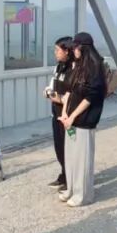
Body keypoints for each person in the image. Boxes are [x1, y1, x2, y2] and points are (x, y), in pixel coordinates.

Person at [58, 32, 106, 207]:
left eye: (76, 48)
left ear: (84, 48)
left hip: (84, 120)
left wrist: (72, 116)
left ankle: (83, 195)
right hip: (71, 119)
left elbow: (90, 97)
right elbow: (69, 91)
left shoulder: (95, 68)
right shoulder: (77, 66)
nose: (74, 51)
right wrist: (65, 112)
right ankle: (71, 189)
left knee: (82, 160)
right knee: (71, 157)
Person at [44, 37, 74, 190]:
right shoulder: (58, 67)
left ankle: (71, 179)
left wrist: (59, 98)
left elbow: (73, 95)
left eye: (57, 50)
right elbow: (52, 85)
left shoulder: (73, 69)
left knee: (69, 147)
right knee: (59, 146)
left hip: (68, 115)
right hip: (56, 112)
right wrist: (48, 92)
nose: (55, 52)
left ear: (67, 51)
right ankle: (64, 175)